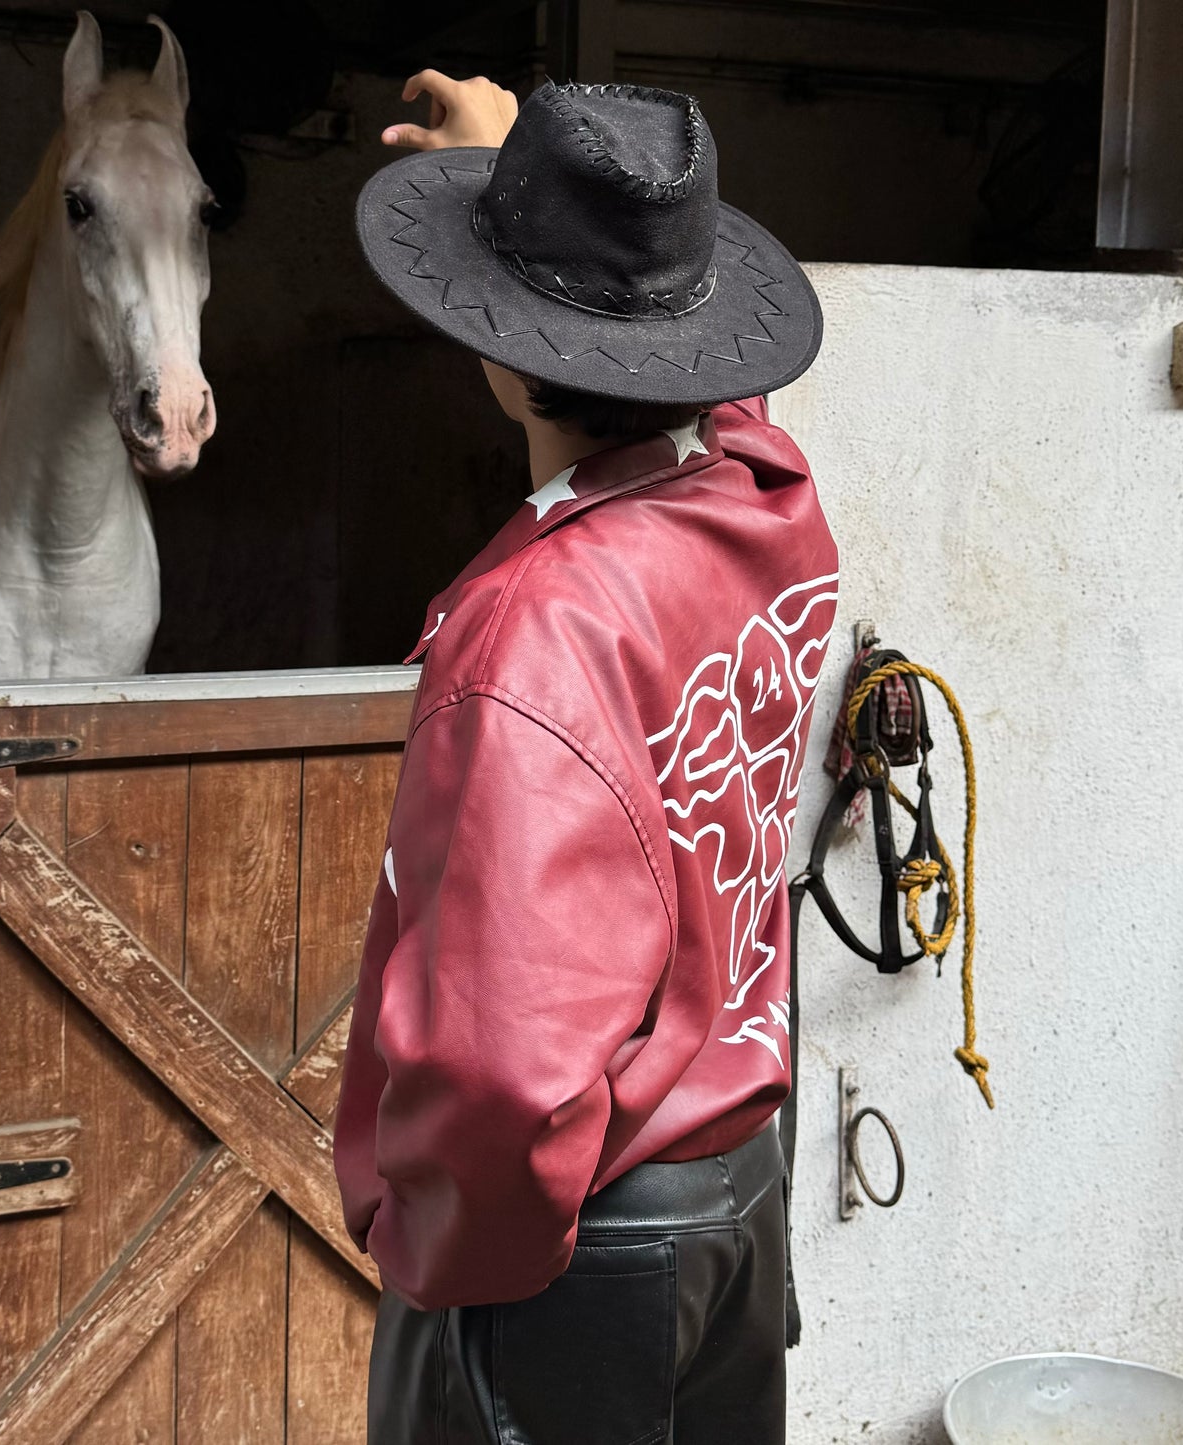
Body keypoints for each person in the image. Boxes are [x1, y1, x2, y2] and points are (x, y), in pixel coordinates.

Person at [333, 68, 838, 1445]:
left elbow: (504, 1058)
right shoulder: (769, 502)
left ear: (495, 353)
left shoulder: (525, 632)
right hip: (734, 1191)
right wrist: (545, 186)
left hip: (575, 1244)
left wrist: (425, 1242)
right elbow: (732, 407)